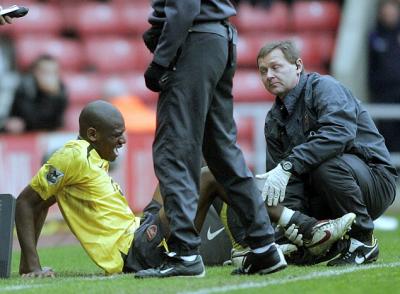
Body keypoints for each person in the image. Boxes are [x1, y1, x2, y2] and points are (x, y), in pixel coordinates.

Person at [14, 100, 350, 278]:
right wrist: (30, 264)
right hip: (133, 252)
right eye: (116, 133)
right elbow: (28, 203)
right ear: (91, 134)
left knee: (185, 168)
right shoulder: (71, 156)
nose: (123, 140)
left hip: (139, 228)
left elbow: (41, 203)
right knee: (211, 176)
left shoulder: (89, 156)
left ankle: (247, 245)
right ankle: (302, 228)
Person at [141, 0, 286, 277]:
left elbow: (184, 7)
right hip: (218, 40)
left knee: (175, 150)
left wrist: (161, 59)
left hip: (193, 42)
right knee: (221, 152)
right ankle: (264, 247)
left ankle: (184, 253)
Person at [255, 40, 398, 266]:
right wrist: (291, 228)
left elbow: (338, 134)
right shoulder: (273, 120)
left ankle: (363, 241)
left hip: (374, 179)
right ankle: (321, 243)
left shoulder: (324, 87)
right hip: (326, 188)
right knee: (273, 190)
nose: (269, 75)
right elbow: (282, 185)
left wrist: (289, 164)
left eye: (276, 67)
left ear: (298, 66)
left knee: (324, 164)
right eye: (263, 71)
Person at [4, 54, 68, 134]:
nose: (49, 76)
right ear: (36, 72)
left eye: (53, 72)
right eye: (45, 72)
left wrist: (54, 95)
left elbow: (58, 121)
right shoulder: (25, 87)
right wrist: (48, 96)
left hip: (49, 134)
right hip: (24, 134)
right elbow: (32, 120)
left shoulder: (60, 90)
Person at [368, 0, 400, 152]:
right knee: (387, 133)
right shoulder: (375, 36)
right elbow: (372, 66)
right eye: (388, 12)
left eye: (393, 12)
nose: (391, 16)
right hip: (385, 93)